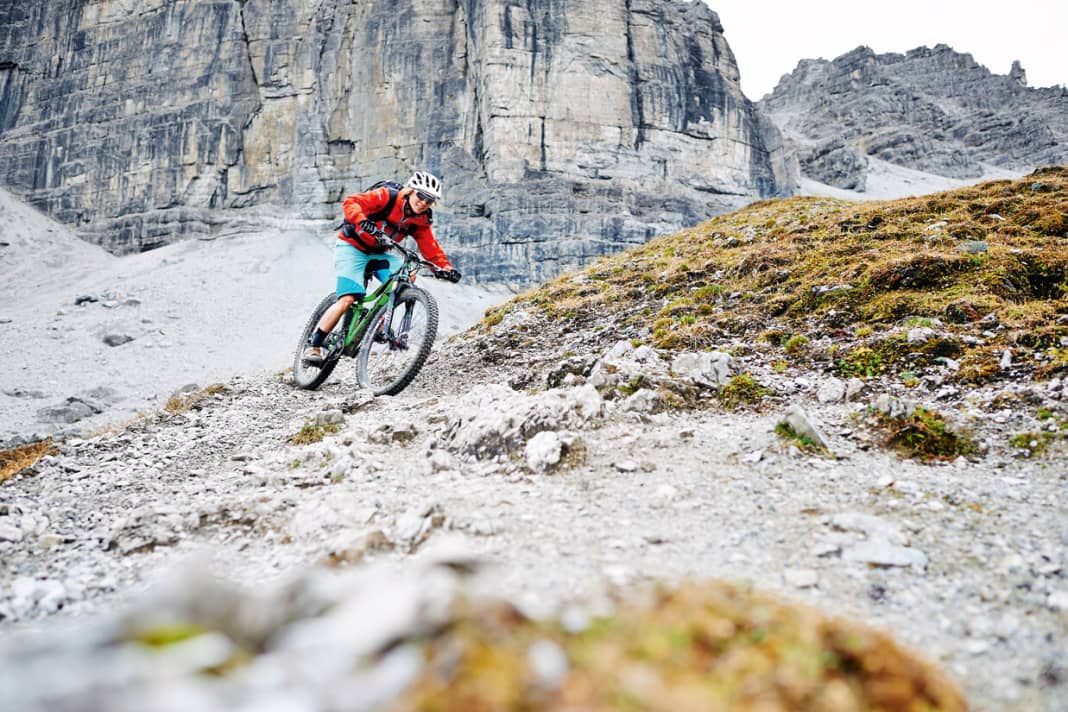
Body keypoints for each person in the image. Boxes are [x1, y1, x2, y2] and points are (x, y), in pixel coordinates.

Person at [302, 170, 461, 366]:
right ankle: (314, 345)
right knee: (348, 299)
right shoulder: (387, 196)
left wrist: (445, 268)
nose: (423, 202)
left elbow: (431, 248)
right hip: (352, 247)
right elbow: (351, 202)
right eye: (421, 196)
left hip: (379, 253)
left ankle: (378, 321)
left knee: (407, 277)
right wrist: (362, 221)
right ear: (410, 191)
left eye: (430, 200)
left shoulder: (421, 219)